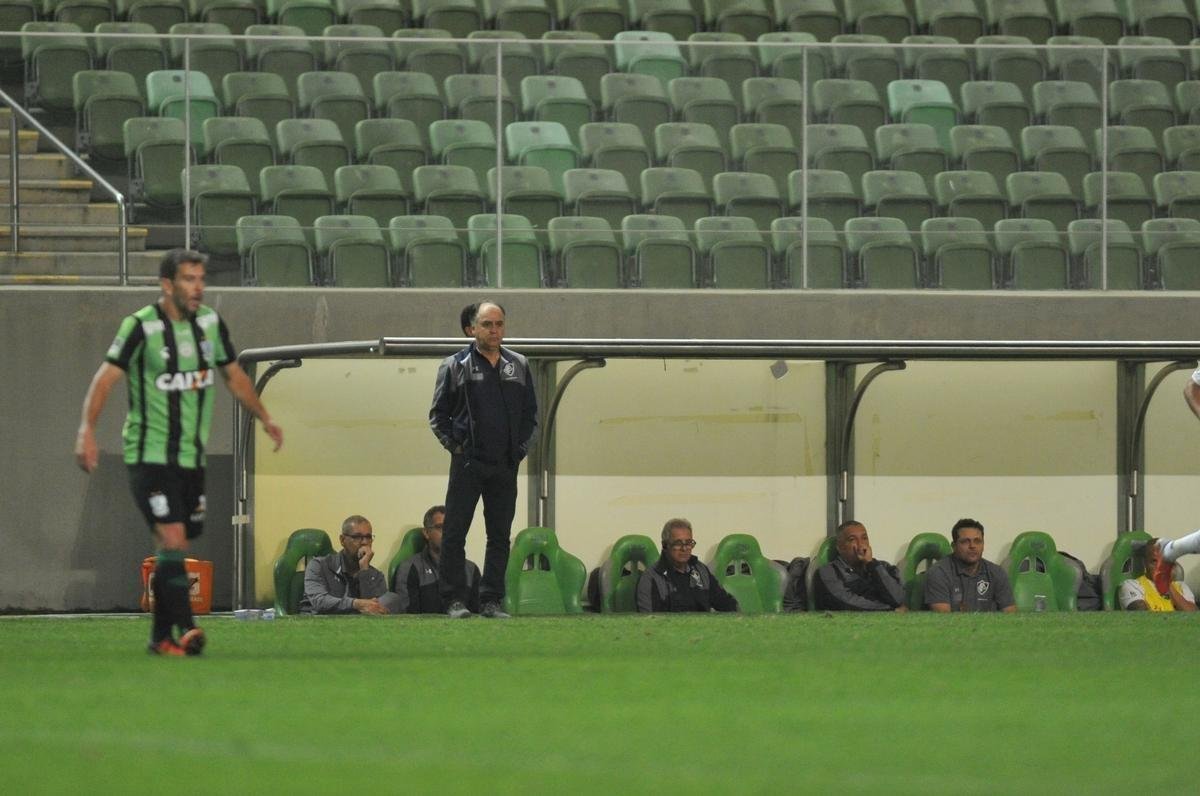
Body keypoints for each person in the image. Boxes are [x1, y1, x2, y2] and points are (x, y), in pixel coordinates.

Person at [74, 249, 284, 656]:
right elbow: (104, 380)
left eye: (201, 279)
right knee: (173, 538)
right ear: (167, 285)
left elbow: (233, 374)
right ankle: (187, 629)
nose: (198, 288)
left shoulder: (209, 324)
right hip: (149, 453)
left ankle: (159, 639)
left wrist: (264, 416)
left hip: (191, 457)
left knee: (175, 544)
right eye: (189, 279)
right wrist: (87, 430)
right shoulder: (140, 327)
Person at [429, 301, 538, 619]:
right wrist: (457, 448)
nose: (495, 330)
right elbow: (438, 415)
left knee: (500, 535)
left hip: (505, 464)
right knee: (454, 533)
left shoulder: (518, 364)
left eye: (499, 324)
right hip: (467, 463)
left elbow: (531, 415)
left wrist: (519, 451)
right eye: (488, 324)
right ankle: (454, 600)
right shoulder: (455, 365)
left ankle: (491, 600)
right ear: (471, 329)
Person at [300, 515, 401, 615]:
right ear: (342, 540)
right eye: (357, 537)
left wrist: (364, 570)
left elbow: (372, 610)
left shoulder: (376, 576)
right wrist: (355, 604)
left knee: (392, 599)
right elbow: (319, 601)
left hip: (354, 628)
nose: (364, 542)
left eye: (368, 537)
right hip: (315, 624)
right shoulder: (319, 565)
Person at [636, 519, 739, 613]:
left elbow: (725, 603)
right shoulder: (651, 579)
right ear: (665, 545)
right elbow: (649, 622)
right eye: (678, 543)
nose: (684, 548)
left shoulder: (700, 570)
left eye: (689, 543)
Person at [394, 505, 481, 614]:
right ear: (426, 533)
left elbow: (478, 615)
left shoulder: (471, 570)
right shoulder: (410, 568)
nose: (447, 532)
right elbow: (407, 616)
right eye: (440, 527)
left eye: (451, 527)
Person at [924, 518, 1016, 613]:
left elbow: (1010, 614)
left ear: (983, 545)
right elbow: (943, 619)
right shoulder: (939, 573)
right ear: (954, 546)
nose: (972, 546)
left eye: (977, 541)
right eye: (965, 542)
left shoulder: (997, 573)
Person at [813, 521, 907, 612]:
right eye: (852, 539)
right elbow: (845, 602)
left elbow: (898, 599)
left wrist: (872, 565)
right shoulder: (828, 572)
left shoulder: (883, 567)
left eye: (864, 538)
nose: (861, 544)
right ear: (840, 547)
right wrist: (889, 610)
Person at [1119, 538, 1197, 612]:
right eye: (1154, 561)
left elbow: (1193, 617)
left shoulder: (1182, 587)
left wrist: (1168, 585)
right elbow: (1143, 618)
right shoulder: (1132, 586)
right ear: (1145, 563)